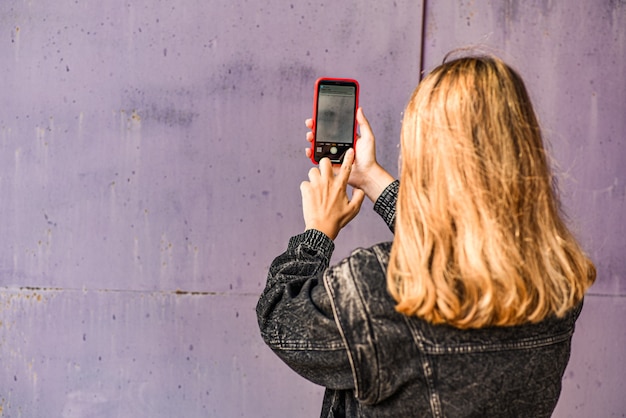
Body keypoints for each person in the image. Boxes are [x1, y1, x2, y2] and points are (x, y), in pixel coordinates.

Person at [256, 53, 596, 417]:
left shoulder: (381, 286)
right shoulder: (559, 279)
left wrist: (318, 234)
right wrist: (370, 177)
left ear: (426, 154)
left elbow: (279, 316)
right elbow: (461, 247)